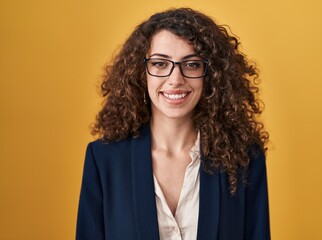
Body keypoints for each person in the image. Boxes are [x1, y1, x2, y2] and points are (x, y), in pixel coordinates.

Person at [76, 7, 270, 240]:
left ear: (211, 76)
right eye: (160, 64)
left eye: (192, 64)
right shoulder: (104, 159)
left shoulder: (244, 159)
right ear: (141, 73)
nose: (175, 80)